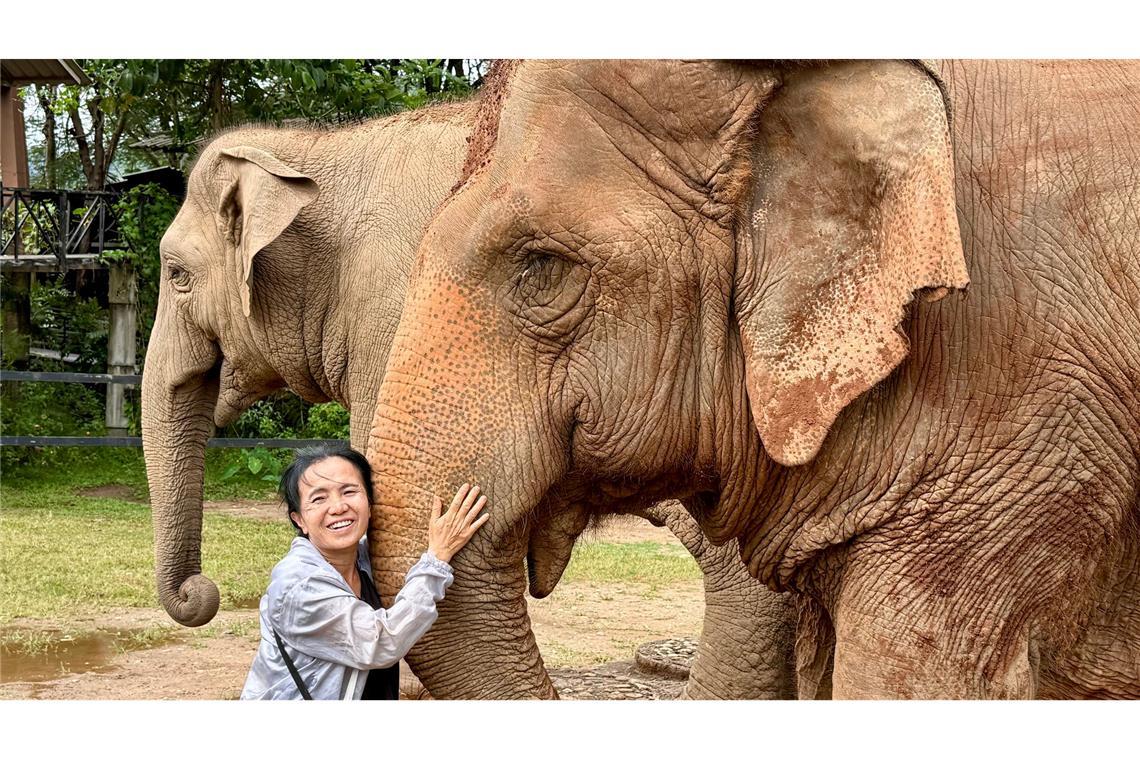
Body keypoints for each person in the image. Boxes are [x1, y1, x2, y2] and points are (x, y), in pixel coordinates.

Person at [240, 443, 488, 700]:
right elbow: (382, 643)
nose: (338, 507)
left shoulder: (365, 559)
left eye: (349, 491)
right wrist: (437, 559)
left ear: (370, 504)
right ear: (299, 519)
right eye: (319, 498)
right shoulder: (298, 587)